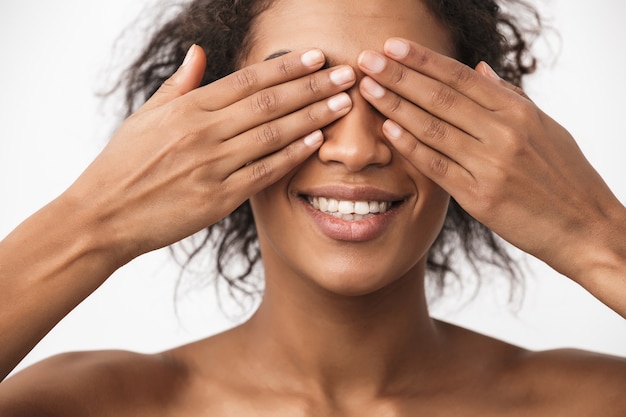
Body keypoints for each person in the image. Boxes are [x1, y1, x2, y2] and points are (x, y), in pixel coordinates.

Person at [1, 0, 625, 414]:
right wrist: (92, 221)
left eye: (403, 97)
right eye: (300, 95)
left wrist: (599, 239)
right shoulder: (90, 405)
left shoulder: (591, 403)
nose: (355, 149)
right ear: (207, 123)